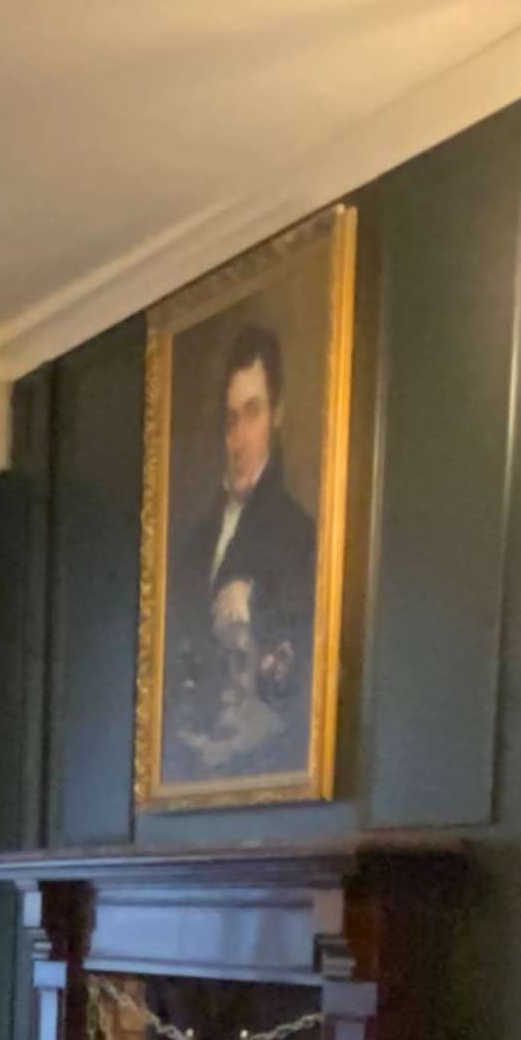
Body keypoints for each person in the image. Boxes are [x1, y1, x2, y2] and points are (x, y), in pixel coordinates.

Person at [163, 317, 318, 776]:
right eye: (231, 420)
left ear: (277, 415)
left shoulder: (297, 533)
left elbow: (298, 667)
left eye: (253, 413)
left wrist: (256, 602)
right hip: (194, 753)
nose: (240, 440)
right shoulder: (193, 541)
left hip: (254, 754)